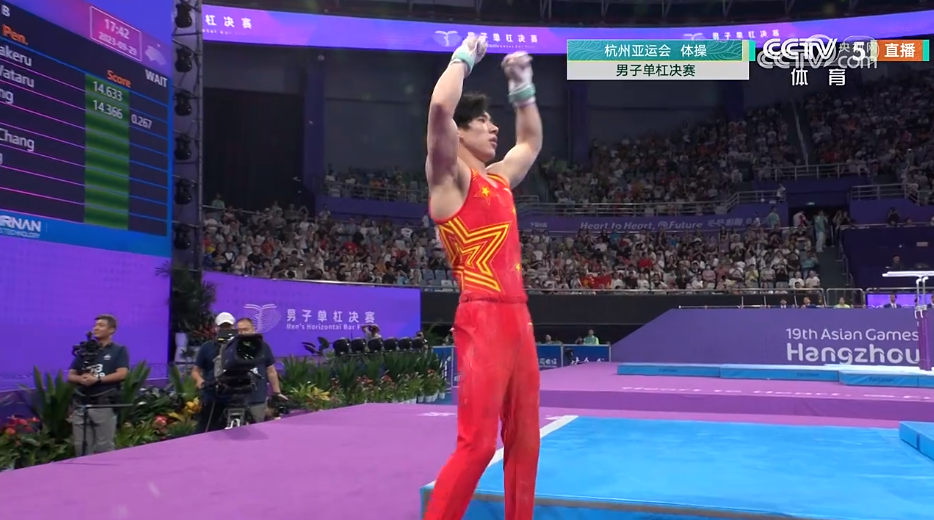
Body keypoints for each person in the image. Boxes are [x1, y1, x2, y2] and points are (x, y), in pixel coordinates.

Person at [422, 34, 543, 520]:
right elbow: (439, 108)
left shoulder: (499, 179)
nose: (495, 128)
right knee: (477, 444)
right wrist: (463, 60)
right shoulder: (449, 179)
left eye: (495, 120)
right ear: (460, 133)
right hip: (483, 316)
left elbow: (530, 142)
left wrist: (523, 88)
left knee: (526, 440)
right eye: (484, 121)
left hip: (519, 319)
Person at [192, 313, 281, 432]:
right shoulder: (207, 347)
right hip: (214, 396)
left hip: (243, 395)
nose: (226, 330)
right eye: (222, 327)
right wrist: (200, 381)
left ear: (233, 327)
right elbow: (196, 370)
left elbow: (271, 370)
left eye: (228, 327)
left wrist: (276, 393)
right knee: (208, 430)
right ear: (216, 328)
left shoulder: (250, 345)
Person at [66, 314, 129, 456]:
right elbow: (71, 375)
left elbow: (122, 374)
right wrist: (80, 379)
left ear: (111, 329)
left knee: (104, 447)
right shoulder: (84, 350)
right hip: (81, 405)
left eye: (101, 325)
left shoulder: (118, 350)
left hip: (103, 405)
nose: (96, 328)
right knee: (81, 447)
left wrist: (97, 380)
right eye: (95, 325)